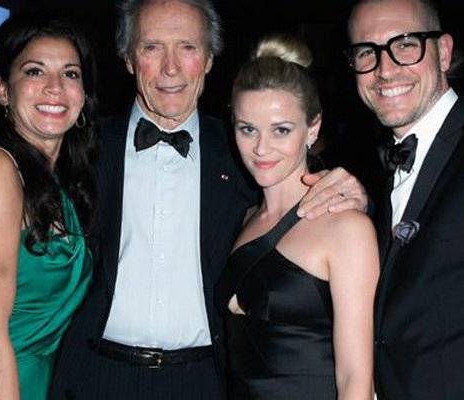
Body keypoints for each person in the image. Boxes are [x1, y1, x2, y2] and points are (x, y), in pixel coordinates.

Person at [50, 1, 368, 399]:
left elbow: (307, 202)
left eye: (187, 47)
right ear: (129, 59)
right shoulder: (81, 150)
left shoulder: (245, 155)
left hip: (205, 382)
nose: (170, 68)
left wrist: (355, 195)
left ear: (210, 59)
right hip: (96, 377)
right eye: (151, 47)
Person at [216, 33, 379, 400]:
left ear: (313, 128)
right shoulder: (245, 219)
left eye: (281, 130)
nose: (261, 148)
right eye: (247, 129)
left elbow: (355, 380)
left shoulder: (346, 227)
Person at [0, 11, 97, 400]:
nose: (55, 87)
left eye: (70, 74)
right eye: (35, 72)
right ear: (3, 90)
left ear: (83, 94)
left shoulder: (61, 184)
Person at [345, 0, 464, 398]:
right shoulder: (377, 168)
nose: (384, 69)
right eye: (367, 52)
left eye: (405, 44)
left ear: (443, 52)